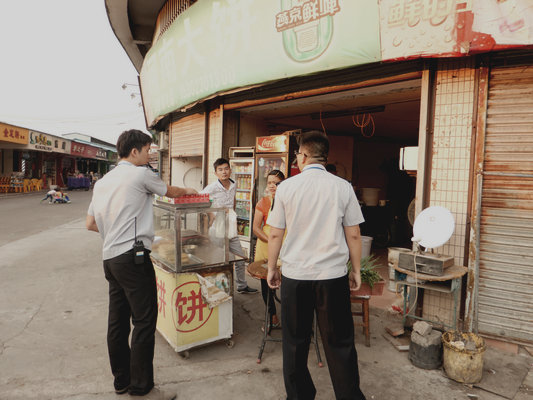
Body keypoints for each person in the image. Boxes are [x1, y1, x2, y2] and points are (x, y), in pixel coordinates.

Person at [86, 129, 197, 397]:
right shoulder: (141, 173)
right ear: (134, 151)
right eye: (148, 150)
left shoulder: (103, 182)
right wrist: (191, 189)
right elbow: (170, 191)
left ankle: (121, 382)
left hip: (110, 258)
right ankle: (142, 388)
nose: (150, 156)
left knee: (118, 322)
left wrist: (117, 230)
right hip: (133, 259)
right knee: (145, 321)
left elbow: (90, 224)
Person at [267, 130, 367, 400]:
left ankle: (299, 396)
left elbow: (275, 233)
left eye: (298, 154)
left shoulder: (286, 187)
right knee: (340, 343)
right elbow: (354, 234)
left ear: (304, 155)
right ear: (325, 156)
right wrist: (355, 270)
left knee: (295, 343)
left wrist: (271, 267)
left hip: (296, 276)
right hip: (332, 277)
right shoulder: (342, 187)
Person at [201, 158, 257, 294]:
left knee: (238, 256)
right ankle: (215, 288)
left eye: (226, 169)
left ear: (230, 170)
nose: (224, 172)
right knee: (217, 258)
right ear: (215, 173)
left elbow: (234, 200)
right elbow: (200, 199)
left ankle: (242, 285)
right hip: (217, 225)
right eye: (220, 170)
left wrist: (233, 211)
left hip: (231, 224)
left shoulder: (234, 184)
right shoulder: (212, 187)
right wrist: (211, 214)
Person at [252, 169, 285, 330]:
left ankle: (292, 318)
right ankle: (272, 316)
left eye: (276, 183)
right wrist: (272, 242)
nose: (272, 186)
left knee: (287, 285)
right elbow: (256, 228)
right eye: (270, 182)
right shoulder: (263, 203)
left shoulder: (288, 202)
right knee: (266, 286)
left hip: (285, 249)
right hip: (265, 249)